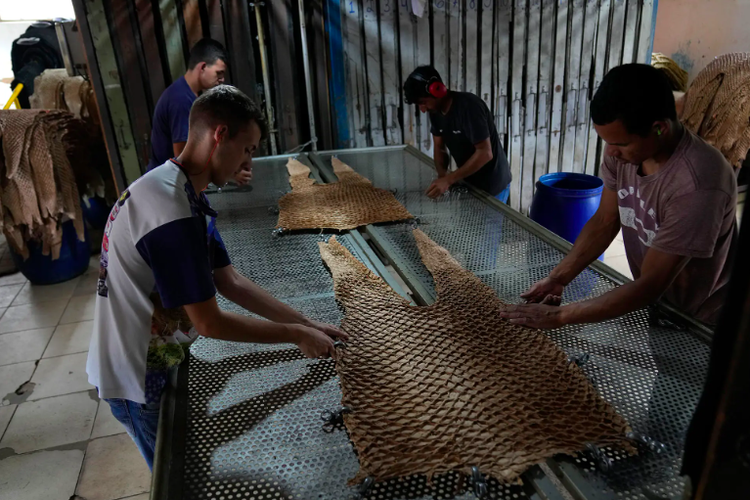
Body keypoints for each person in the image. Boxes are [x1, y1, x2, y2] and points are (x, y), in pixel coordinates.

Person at [87, 85, 347, 469]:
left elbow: (230, 281)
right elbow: (208, 323)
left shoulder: (182, 190)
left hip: (156, 354)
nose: (248, 164)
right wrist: (294, 336)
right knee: (177, 472)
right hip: (137, 376)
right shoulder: (170, 212)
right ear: (220, 135)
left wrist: (307, 322)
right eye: (247, 149)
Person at [500, 63, 737, 329]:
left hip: (705, 320)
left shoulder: (698, 183)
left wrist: (560, 316)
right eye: (607, 141)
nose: (611, 152)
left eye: (621, 143)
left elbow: (650, 285)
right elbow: (605, 220)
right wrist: (559, 278)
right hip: (662, 305)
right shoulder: (623, 156)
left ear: (659, 128)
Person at [147, 38, 250, 186]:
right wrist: (229, 173)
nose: (222, 79)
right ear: (202, 67)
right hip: (165, 184)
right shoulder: (181, 100)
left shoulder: (190, 95)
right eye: (218, 73)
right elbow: (184, 160)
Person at [403, 66, 512, 202]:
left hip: (493, 185)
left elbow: (485, 153)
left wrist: (449, 180)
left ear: (437, 90)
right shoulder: (435, 113)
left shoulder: (469, 106)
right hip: (470, 182)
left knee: (487, 224)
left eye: (423, 103)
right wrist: (442, 176)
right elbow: (439, 147)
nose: (423, 110)